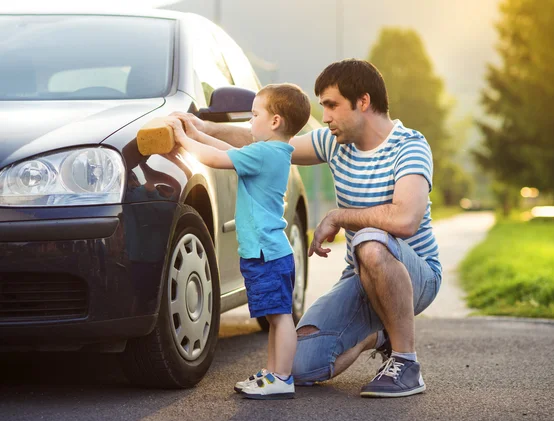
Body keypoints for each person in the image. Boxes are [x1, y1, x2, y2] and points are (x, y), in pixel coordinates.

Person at [174, 59, 442, 398]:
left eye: (332, 105)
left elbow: (405, 219)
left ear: (363, 101)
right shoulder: (333, 141)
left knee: (371, 240)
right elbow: (266, 143)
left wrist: (340, 216)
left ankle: (406, 363)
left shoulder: (409, 146)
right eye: (322, 107)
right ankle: (381, 334)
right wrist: (200, 128)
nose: (325, 116)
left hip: (416, 274)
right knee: (297, 366)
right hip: (360, 275)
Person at [165, 83, 311, 400]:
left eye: (254, 115)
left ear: (275, 121)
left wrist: (182, 139)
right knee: (275, 316)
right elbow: (221, 148)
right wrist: (194, 131)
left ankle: (283, 377)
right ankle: (275, 373)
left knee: (280, 317)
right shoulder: (273, 152)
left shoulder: (263, 153)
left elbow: (217, 158)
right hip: (268, 252)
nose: (248, 122)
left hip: (267, 253)